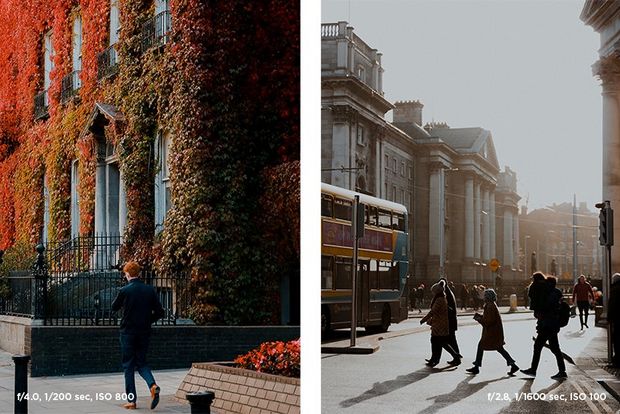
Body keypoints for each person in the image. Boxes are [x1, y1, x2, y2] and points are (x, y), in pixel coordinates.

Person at [112, 261, 165, 410]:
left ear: (127, 274)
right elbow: (160, 312)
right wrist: (148, 320)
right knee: (141, 363)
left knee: (128, 365)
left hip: (128, 332)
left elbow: (113, 307)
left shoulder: (125, 290)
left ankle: (132, 400)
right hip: (144, 332)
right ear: (139, 274)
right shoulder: (149, 290)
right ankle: (152, 385)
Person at [521, 276, 567, 380]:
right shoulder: (556, 292)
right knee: (555, 348)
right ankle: (562, 371)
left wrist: (540, 312)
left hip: (547, 324)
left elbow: (546, 307)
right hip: (552, 324)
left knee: (538, 346)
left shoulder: (550, 294)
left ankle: (533, 370)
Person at [466, 289, 519, 375]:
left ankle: (477, 367)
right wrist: (480, 317)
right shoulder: (491, 305)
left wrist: (479, 319)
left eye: (485, 296)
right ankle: (513, 365)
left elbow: (488, 321)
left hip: (492, 333)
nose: (483, 297)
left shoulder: (489, 306)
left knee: (483, 346)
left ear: (487, 297)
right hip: (494, 332)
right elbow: (488, 318)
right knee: (499, 348)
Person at [420, 280, 461, 367]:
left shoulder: (441, 298)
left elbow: (433, 311)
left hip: (442, 324)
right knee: (441, 342)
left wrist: (424, 319)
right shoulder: (445, 295)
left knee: (442, 342)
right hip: (443, 323)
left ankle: (454, 356)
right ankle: (436, 359)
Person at [439, 277, 460, 358]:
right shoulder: (448, 292)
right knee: (451, 340)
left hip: (449, 321)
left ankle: (456, 356)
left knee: (447, 340)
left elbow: (449, 308)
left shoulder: (446, 294)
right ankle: (456, 355)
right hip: (451, 321)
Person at [609, 273, 620, 367]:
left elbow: (612, 305)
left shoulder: (614, 290)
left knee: (616, 339)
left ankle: (617, 360)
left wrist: (609, 317)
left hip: (617, 318)